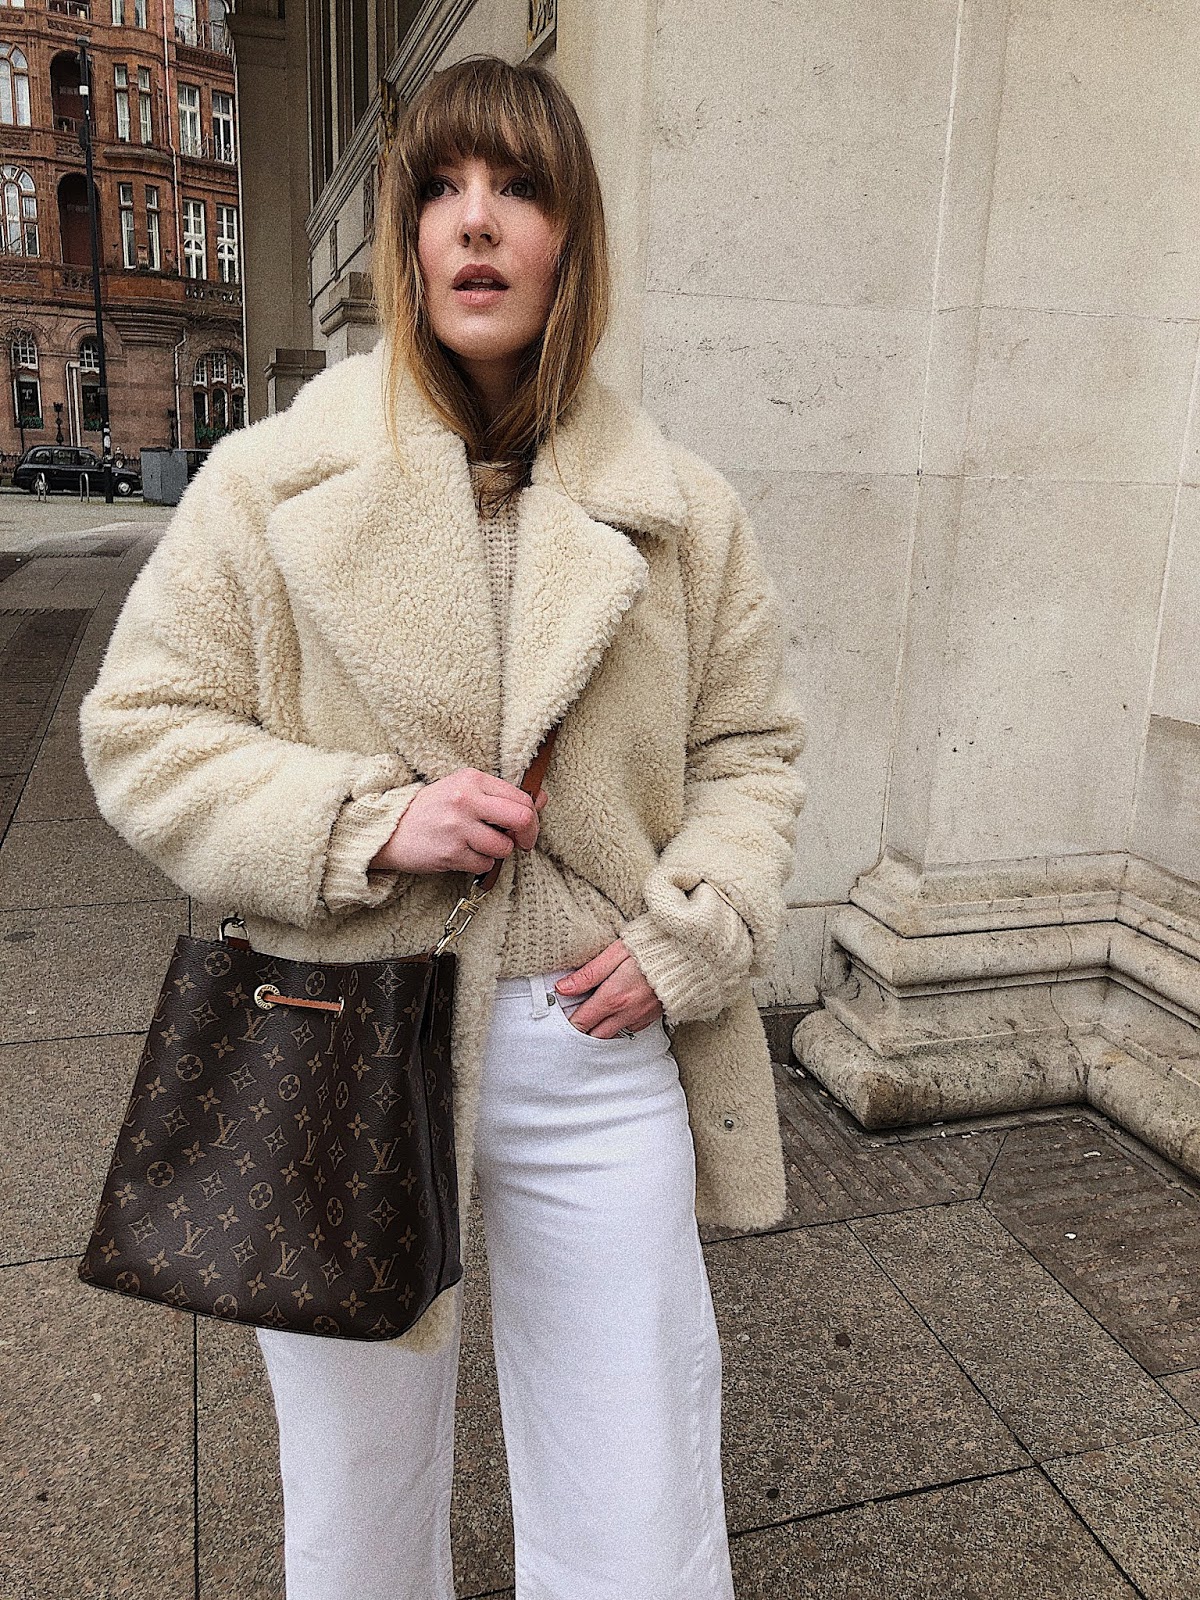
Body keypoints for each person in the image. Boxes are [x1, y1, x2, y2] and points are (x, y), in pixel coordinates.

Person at [79, 54, 805, 1600]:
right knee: (354, 1501)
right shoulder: (271, 482)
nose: (479, 223)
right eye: (444, 189)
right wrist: (362, 823)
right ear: (406, 236)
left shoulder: (685, 509)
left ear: (570, 237)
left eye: (520, 189)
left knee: (637, 1497)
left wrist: (695, 936)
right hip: (339, 1026)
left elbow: (748, 756)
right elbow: (142, 732)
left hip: (594, 1039)